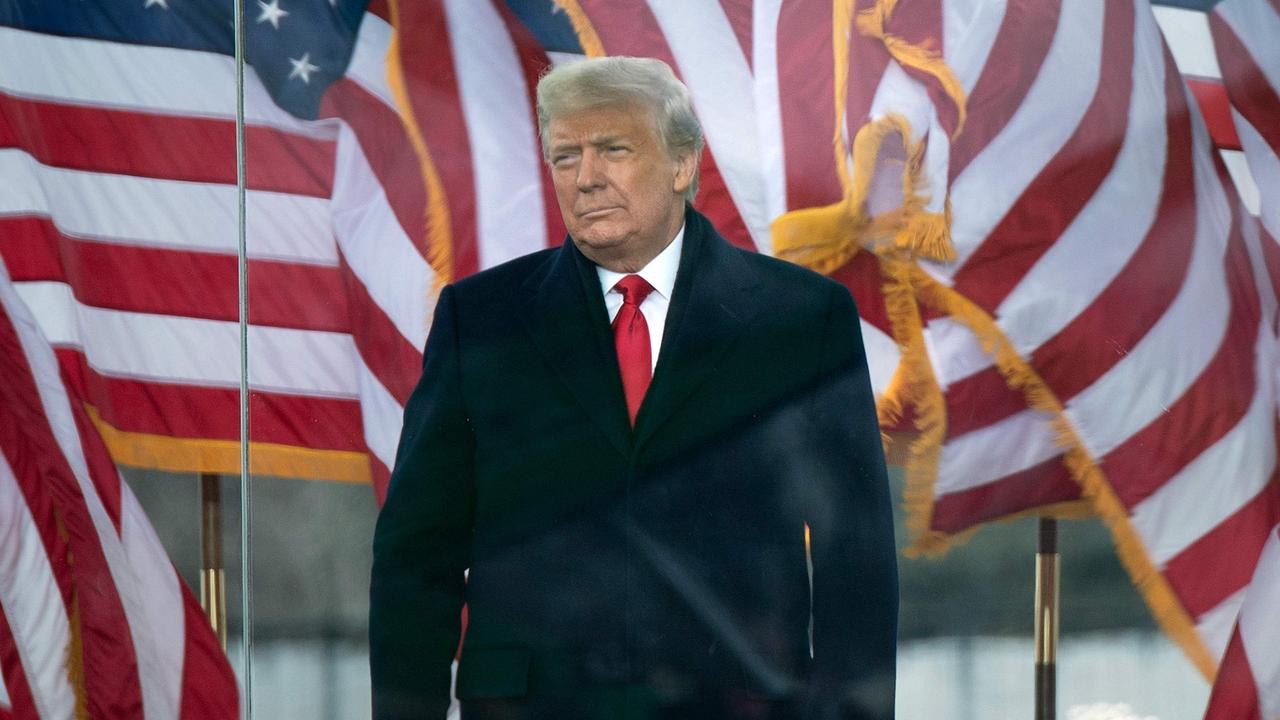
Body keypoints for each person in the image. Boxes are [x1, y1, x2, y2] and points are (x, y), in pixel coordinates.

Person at [370, 56, 897, 720]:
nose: (586, 178)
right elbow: (418, 555)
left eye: (612, 150)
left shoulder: (800, 320)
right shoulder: (480, 321)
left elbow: (858, 557)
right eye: (565, 157)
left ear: (682, 164)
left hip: (736, 704)